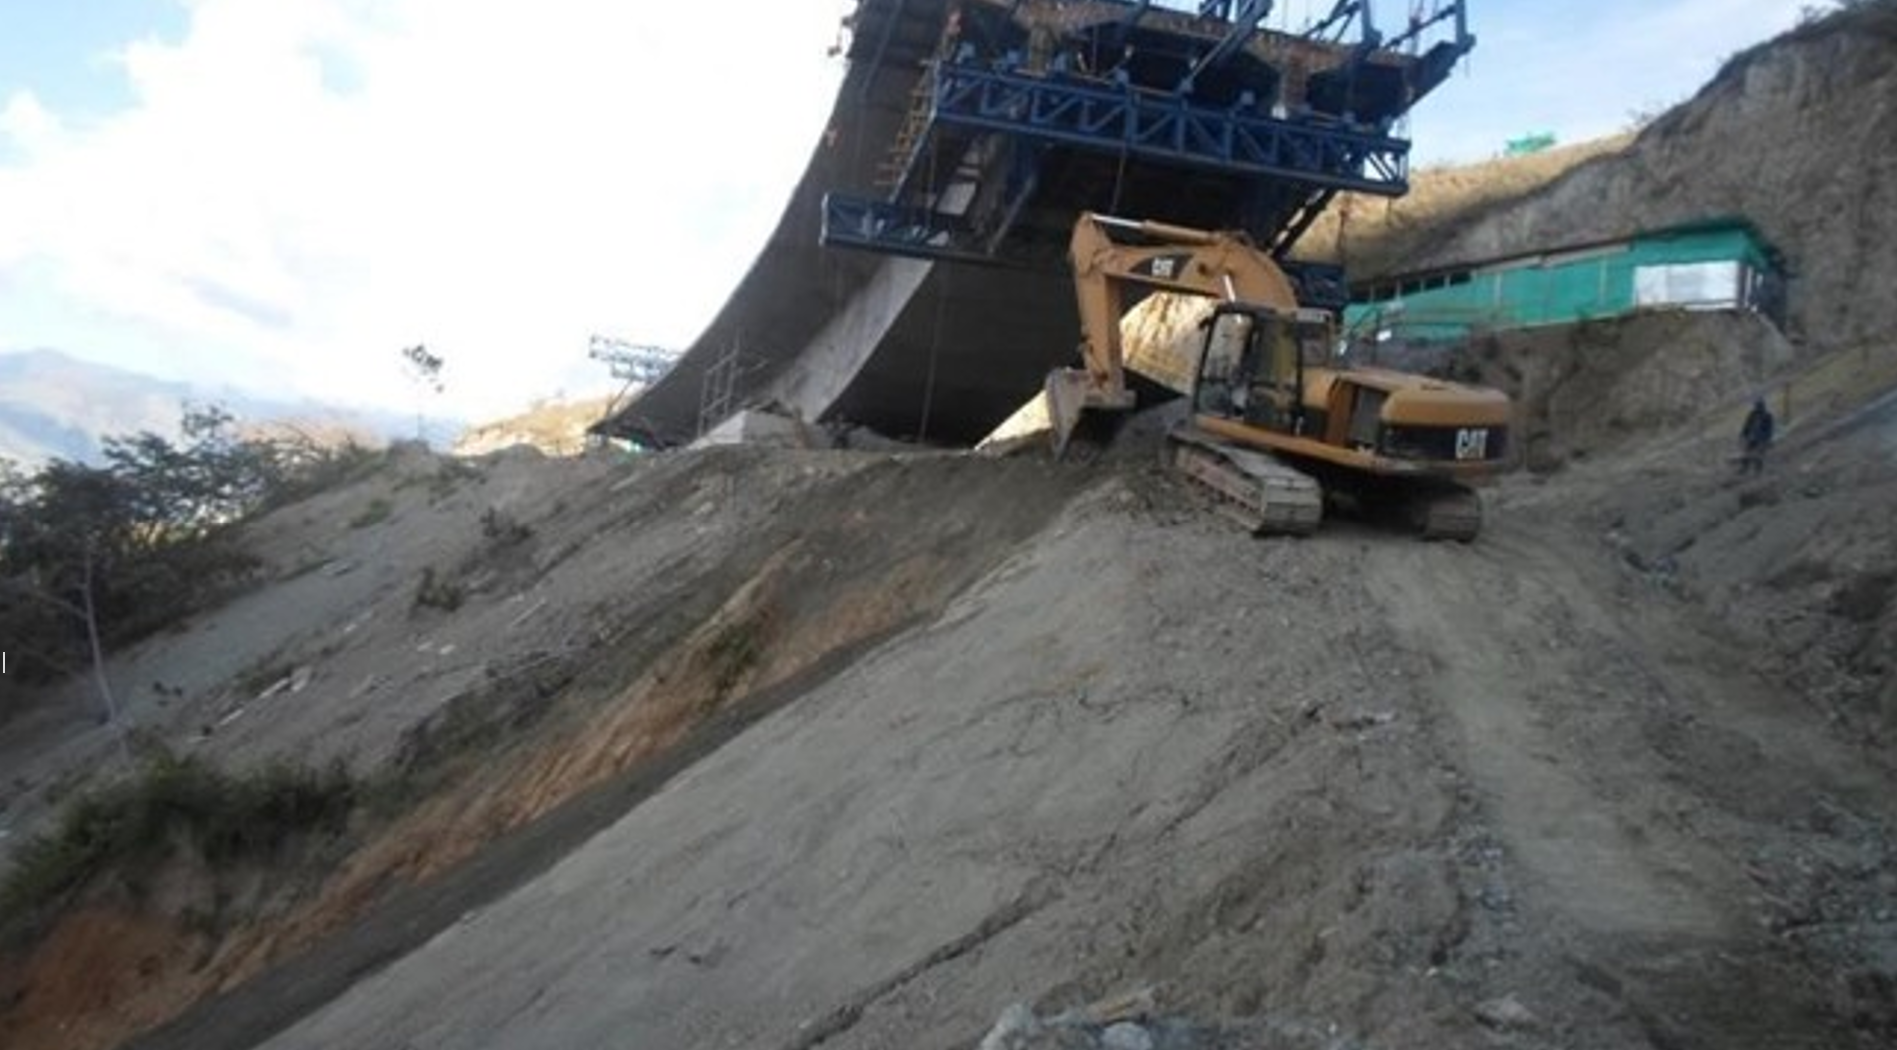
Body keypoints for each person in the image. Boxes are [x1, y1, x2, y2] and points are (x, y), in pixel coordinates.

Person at [1739, 396, 1775, 475]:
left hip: (1762, 438)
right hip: (1752, 437)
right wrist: (1743, 434)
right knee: (1747, 452)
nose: (1758, 407)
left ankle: (1757, 471)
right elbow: (1747, 425)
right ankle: (1744, 468)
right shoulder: (1752, 414)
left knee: (1758, 454)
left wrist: (1766, 439)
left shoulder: (1767, 415)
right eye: (1757, 405)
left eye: (1759, 405)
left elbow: (1770, 429)